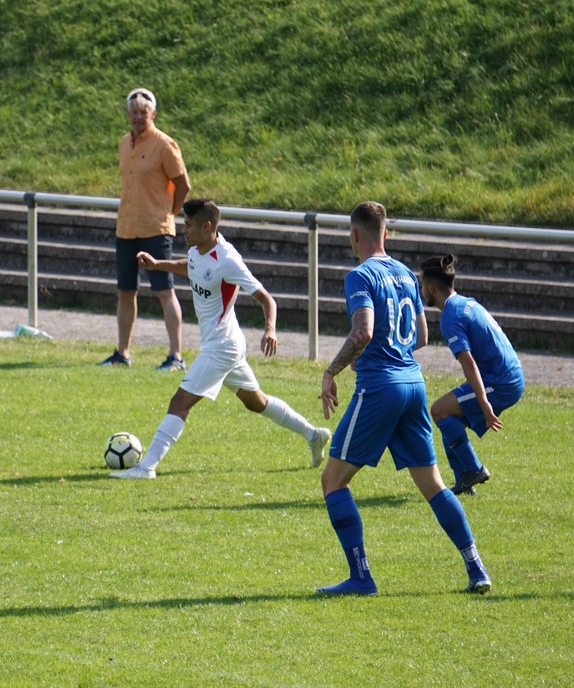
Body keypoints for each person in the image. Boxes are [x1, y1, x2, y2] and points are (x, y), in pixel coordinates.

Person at [317, 202, 491, 595]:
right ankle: (476, 568)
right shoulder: (407, 275)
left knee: (333, 481)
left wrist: (331, 371)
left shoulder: (360, 276)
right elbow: (422, 336)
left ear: (354, 236)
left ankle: (361, 577)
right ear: (385, 234)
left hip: (380, 387)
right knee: (434, 485)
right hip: (413, 384)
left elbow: (363, 332)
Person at [110, 198, 330, 479]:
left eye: (189, 225)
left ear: (207, 226)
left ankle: (146, 467)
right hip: (226, 343)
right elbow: (191, 267)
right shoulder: (197, 250)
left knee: (180, 402)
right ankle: (313, 434)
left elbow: (267, 299)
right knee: (256, 402)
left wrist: (270, 329)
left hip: (222, 347)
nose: (183, 231)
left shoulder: (228, 260)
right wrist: (157, 265)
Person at [99, 87, 190, 371]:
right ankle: (122, 353)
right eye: (134, 111)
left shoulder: (164, 145)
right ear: (128, 114)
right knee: (126, 291)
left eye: (144, 112)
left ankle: (176, 356)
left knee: (164, 291)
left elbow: (183, 184)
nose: (139, 116)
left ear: (153, 114)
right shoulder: (124, 143)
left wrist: (169, 213)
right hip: (126, 228)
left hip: (156, 229)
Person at [419, 254, 525, 495]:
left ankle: (475, 469)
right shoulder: (467, 303)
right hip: (509, 375)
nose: (421, 290)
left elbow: (468, 363)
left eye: (422, 285)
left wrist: (484, 404)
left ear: (432, 288)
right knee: (449, 417)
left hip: (501, 382)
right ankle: (464, 481)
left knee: (439, 410)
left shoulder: (451, 317)